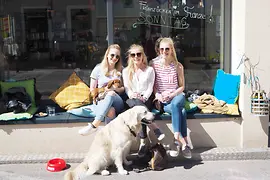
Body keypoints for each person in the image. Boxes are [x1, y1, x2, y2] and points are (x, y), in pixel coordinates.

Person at [150, 37, 192, 159]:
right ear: (158, 50)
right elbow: (154, 86)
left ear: (172, 50)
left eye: (167, 49)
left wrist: (172, 94)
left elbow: (182, 86)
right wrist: (158, 95)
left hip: (177, 96)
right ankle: (185, 144)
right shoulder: (154, 64)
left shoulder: (178, 66)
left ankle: (175, 138)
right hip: (164, 100)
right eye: (161, 49)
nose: (164, 51)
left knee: (175, 105)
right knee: (181, 111)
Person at [122, 44, 165, 157]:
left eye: (138, 54)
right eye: (133, 55)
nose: (136, 57)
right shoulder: (126, 71)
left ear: (143, 56)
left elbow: (150, 87)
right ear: (130, 57)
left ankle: (143, 142)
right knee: (137, 106)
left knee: (139, 108)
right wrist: (132, 95)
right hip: (131, 100)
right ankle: (153, 127)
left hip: (145, 100)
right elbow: (127, 88)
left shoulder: (149, 70)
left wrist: (144, 97)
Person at [78, 44, 125, 136]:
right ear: (107, 54)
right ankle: (111, 138)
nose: (114, 58)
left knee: (111, 93)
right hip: (101, 100)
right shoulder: (98, 69)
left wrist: (116, 89)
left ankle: (94, 125)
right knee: (110, 111)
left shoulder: (121, 70)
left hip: (117, 100)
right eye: (112, 55)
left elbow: (124, 89)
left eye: (117, 56)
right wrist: (102, 91)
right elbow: (92, 90)